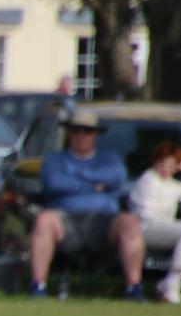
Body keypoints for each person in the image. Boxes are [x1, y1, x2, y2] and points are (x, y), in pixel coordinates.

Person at [26, 110, 145, 300]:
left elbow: (116, 177)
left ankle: (134, 287)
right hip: (66, 220)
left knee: (129, 222)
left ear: (96, 134)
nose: (81, 135)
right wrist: (93, 185)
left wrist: (76, 178)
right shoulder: (55, 159)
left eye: (87, 131)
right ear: (68, 133)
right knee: (44, 220)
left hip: (104, 221)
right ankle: (38, 285)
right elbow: (54, 183)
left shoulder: (110, 159)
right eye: (75, 130)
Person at [129, 141, 181, 304]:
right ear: (156, 162)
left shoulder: (173, 185)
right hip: (144, 229)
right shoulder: (147, 180)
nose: (166, 169)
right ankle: (172, 285)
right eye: (163, 164)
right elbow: (146, 214)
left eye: (171, 165)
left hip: (164, 230)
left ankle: (171, 283)